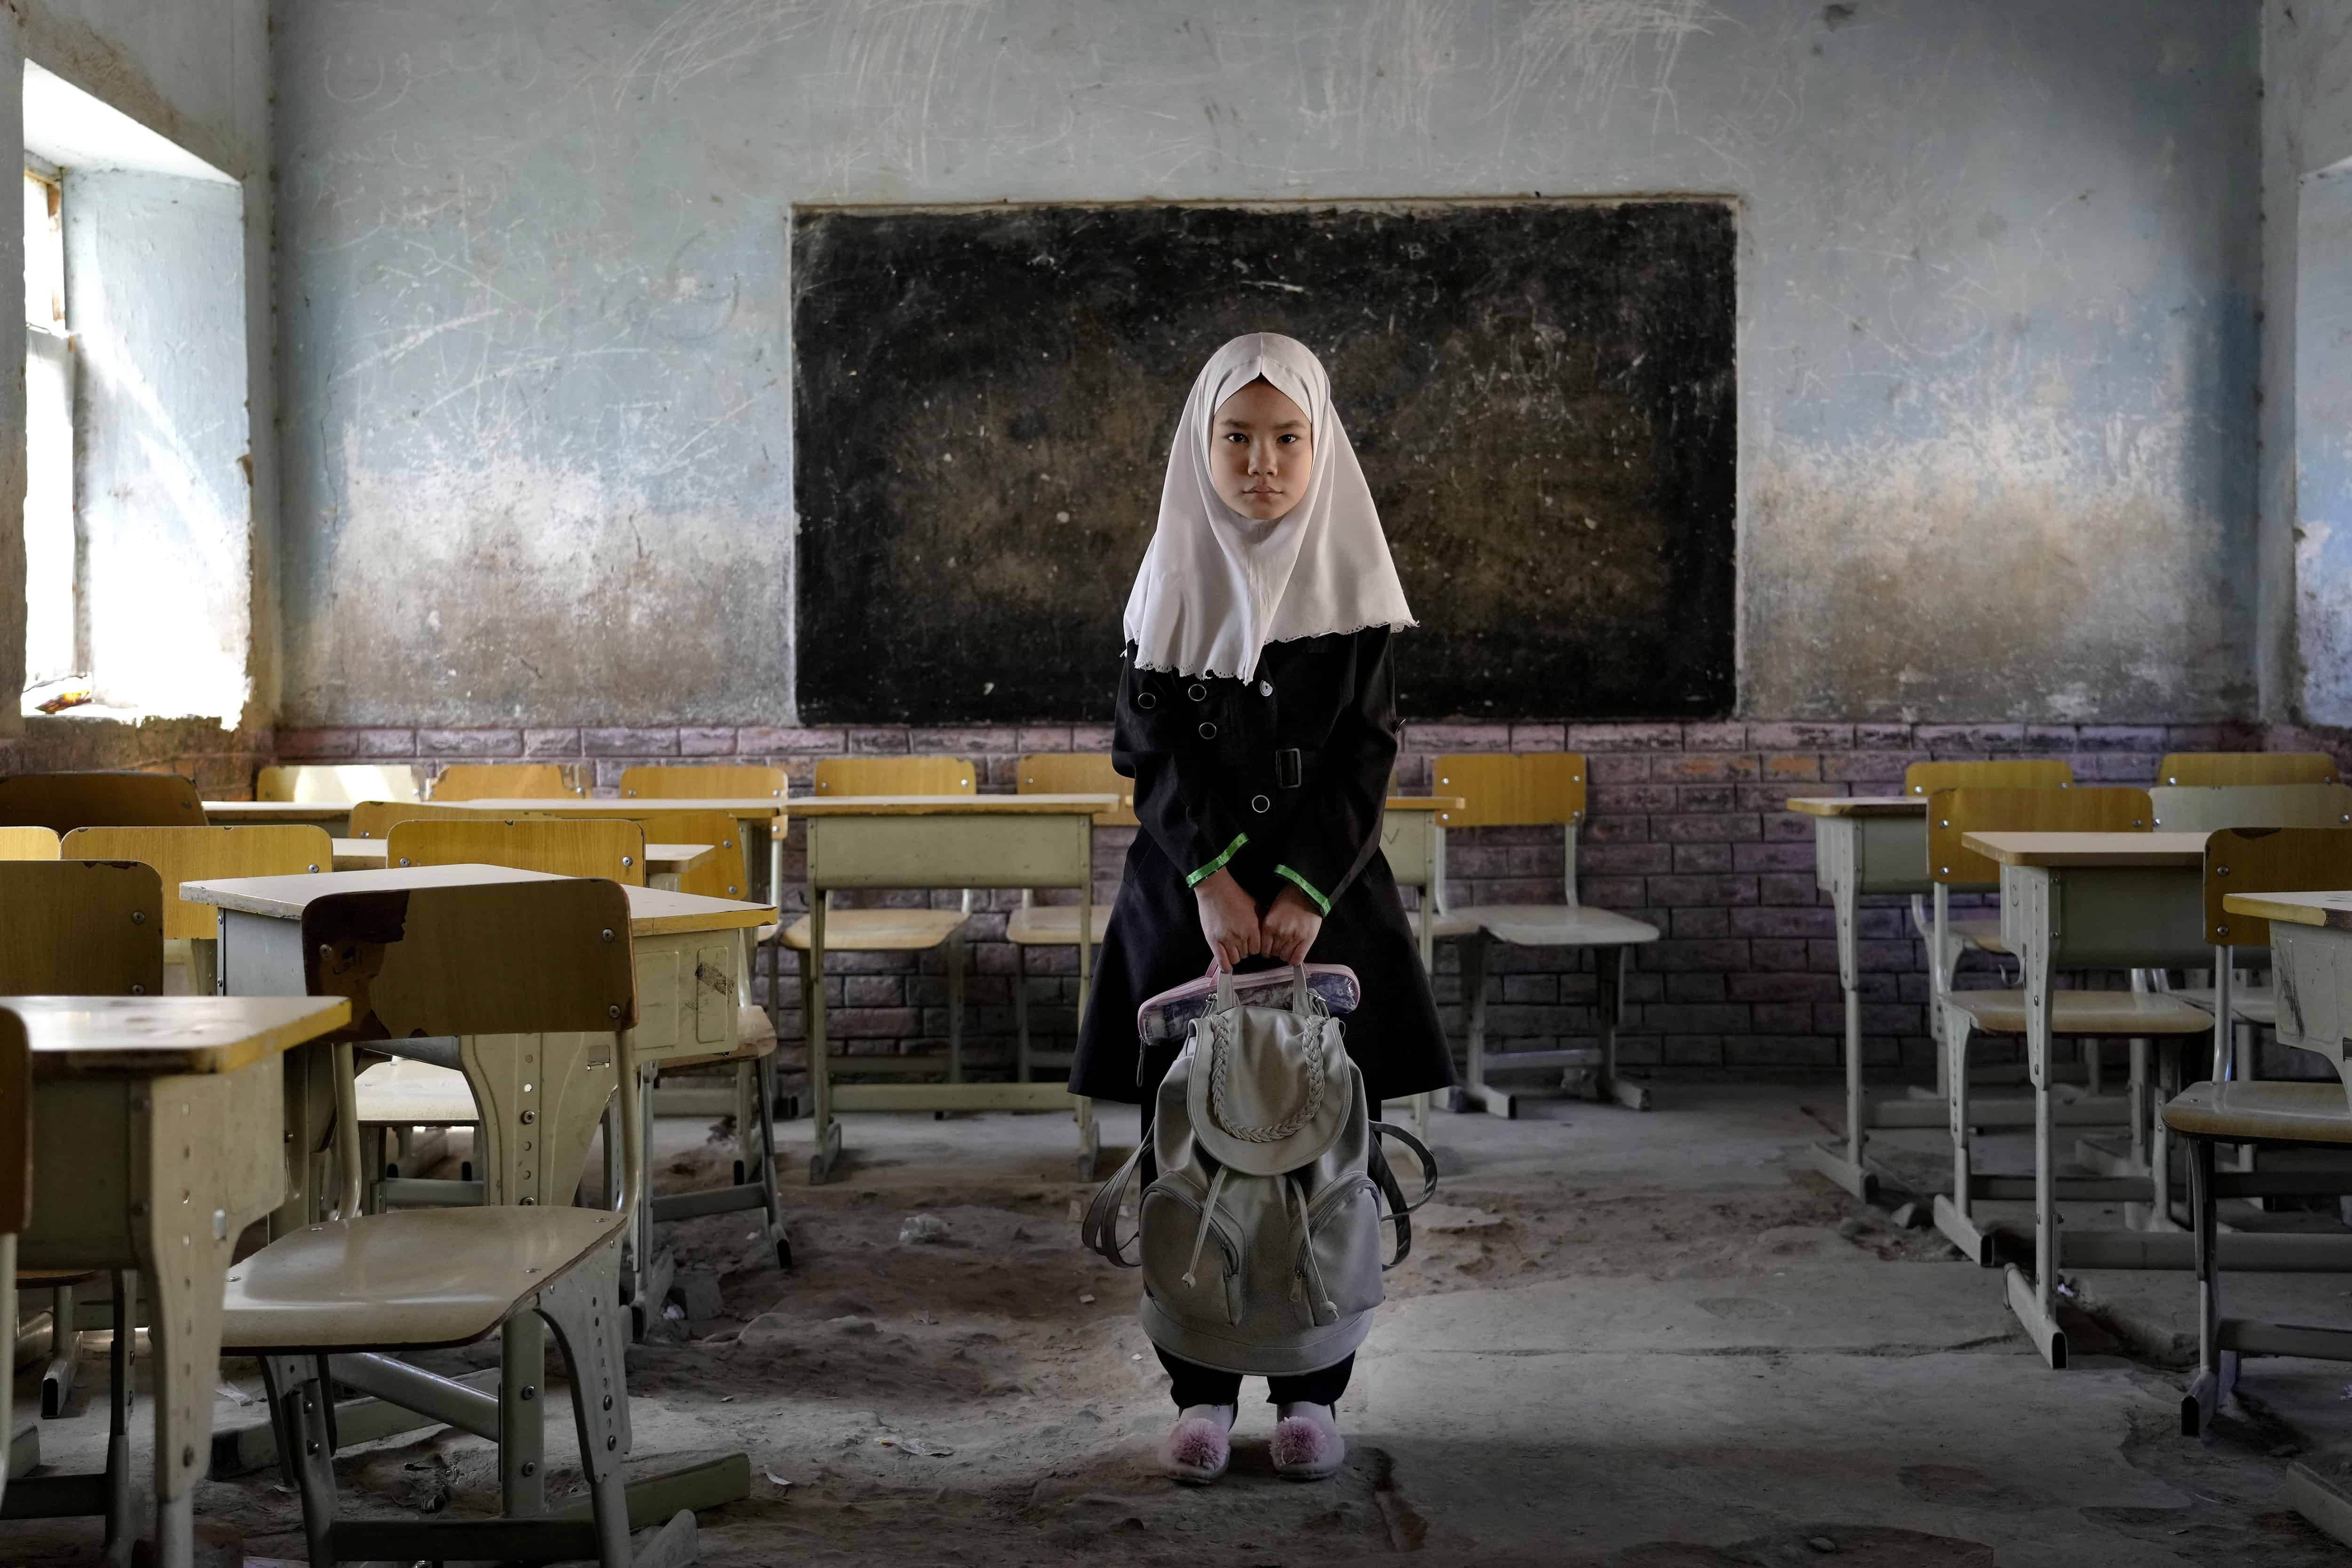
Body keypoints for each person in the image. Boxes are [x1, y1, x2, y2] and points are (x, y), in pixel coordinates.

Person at [1070, 332, 1454, 1485]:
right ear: (1203, 444)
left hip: (1324, 899)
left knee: (1323, 1153)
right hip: (1186, 901)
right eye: (1236, 438)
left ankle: (1310, 1393)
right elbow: (1149, 752)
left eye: (1287, 438)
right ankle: (1194, 1390)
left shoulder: (1357, 584)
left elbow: (1367, 754)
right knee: (1182, 1146)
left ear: (1319, 442)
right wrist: (1212, 878)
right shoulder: (1168, 575)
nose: (1262, 463)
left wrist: (1300, 890)